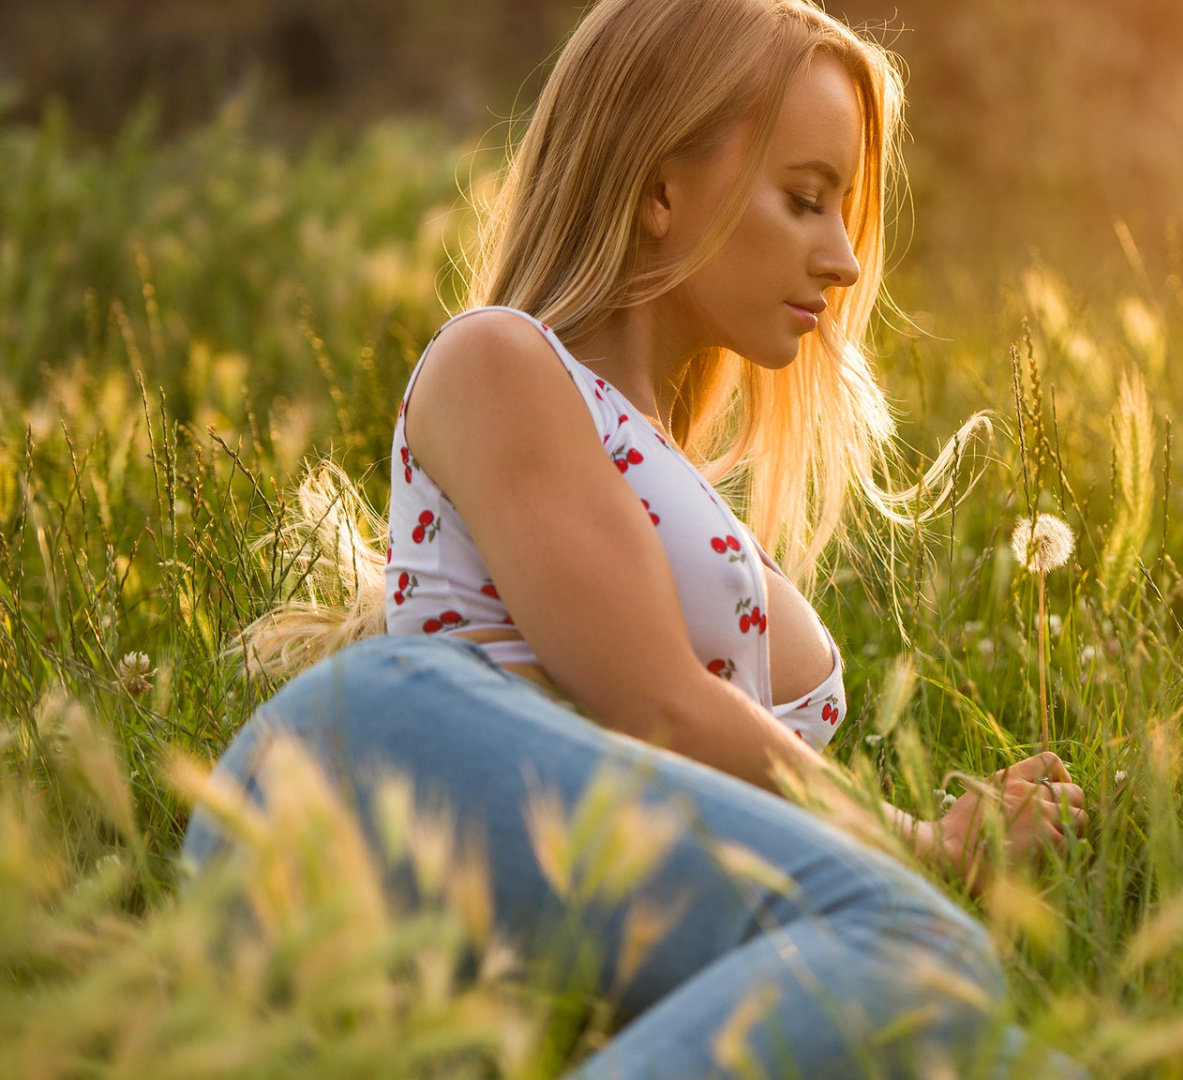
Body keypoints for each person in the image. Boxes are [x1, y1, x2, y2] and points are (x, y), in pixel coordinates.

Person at [177, 0, 1090, 1076]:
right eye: (805, 200)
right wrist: (926, 846)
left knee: (996, 1053)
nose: (845, 261)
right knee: (920, 947)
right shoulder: (502, 362)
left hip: (560, 889)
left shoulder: (660, 476)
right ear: (661, 192)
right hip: (385, 767)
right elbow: (660, 707)